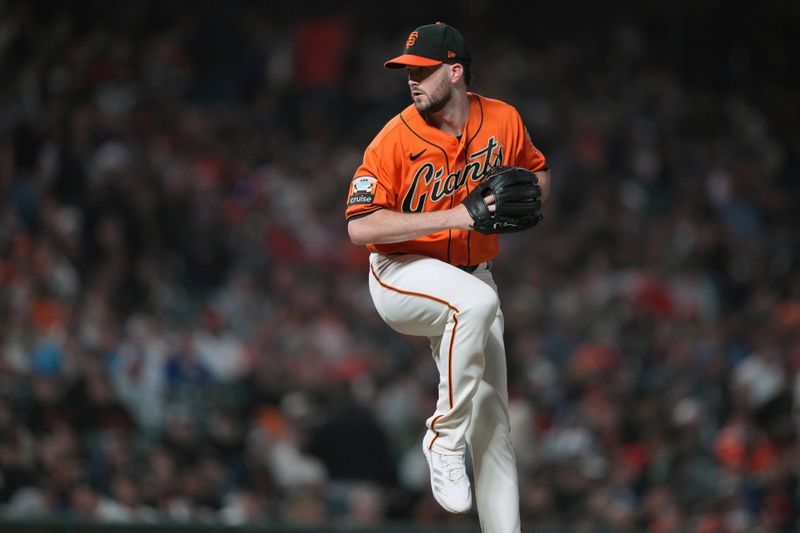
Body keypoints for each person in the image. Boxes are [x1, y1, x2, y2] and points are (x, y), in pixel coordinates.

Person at [345, 22, 551, 533]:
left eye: (423, 71)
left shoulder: (503, 120)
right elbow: (360, 225)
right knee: (476, 304)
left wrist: (529, 197)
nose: (412, 81)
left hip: (472, 272)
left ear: (455, 72)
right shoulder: (393, 139)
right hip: (401, 273)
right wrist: (462, 215)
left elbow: (536, 174)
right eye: (407, 72)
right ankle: (442, 438)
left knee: (494, 426)